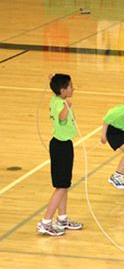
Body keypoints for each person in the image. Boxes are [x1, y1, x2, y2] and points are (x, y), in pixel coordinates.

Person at [36, 74, 84, 236]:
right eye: (70, 86)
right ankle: (46, 222)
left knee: (64, 184)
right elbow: (61, 117)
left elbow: (56, 88)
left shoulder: (55, 98)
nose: (73, 88)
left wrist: (52, 78)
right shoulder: (60, 103)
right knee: (61, 186)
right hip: (60, 146)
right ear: (63, 90)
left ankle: (62, 219)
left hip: (65, 144)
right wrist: (67, 107)